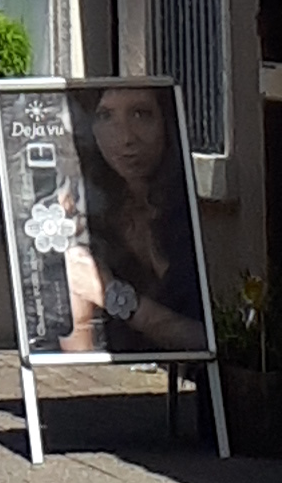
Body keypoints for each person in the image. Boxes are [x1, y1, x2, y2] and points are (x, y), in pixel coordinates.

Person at [59, 85, 205, 355]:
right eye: (105, 116)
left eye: (140, 114)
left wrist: (111, 294)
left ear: (166, 121)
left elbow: (209, 340)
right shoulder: (85, 212)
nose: (126, 137)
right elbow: (76, 351)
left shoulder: (190, 213)